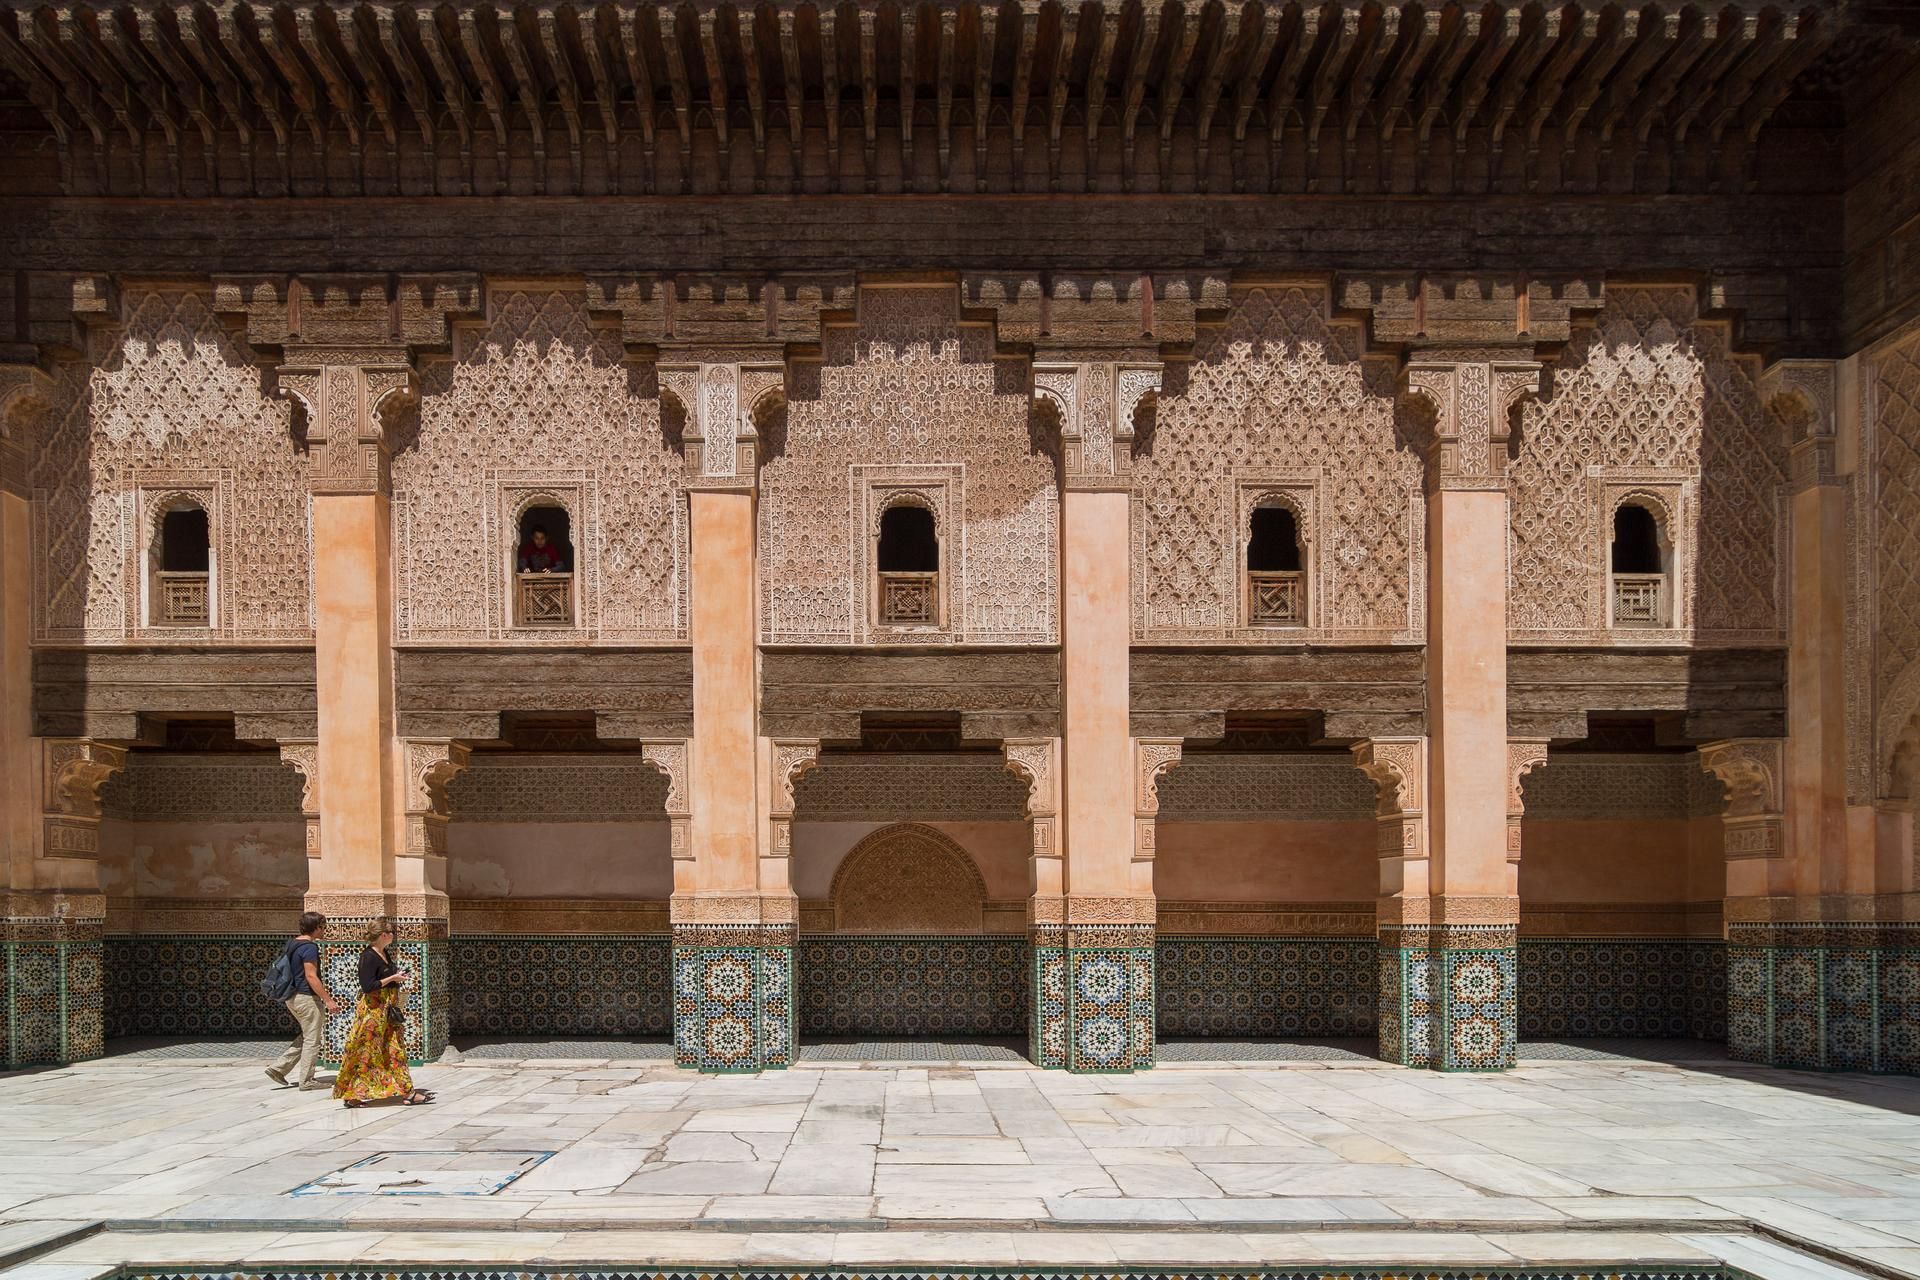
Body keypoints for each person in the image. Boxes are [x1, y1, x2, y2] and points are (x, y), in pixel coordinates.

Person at [333, 919, 433, 1107]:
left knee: (394, 1051)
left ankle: (407, 1091)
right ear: (383, 935)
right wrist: (392, 978)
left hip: (387, 1012)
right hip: (373, 1013)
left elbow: (385, 977)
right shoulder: (368, 956)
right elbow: (367, 985)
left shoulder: (384, 953)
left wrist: (397, 976)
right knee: (365, 1052)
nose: (393, 935)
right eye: (391, 932)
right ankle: (352, 1094)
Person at [265, 911, 339, 1090]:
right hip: (305, 998)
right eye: (323, 927)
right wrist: (328, 1000)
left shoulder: (293, 943)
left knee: (308, 1036)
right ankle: (307, 1080)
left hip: (292, 998)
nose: (324, 930)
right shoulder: (310, 947)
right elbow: (311, 976)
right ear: (317, 927)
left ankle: (278, 1068)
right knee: (313, 1040)